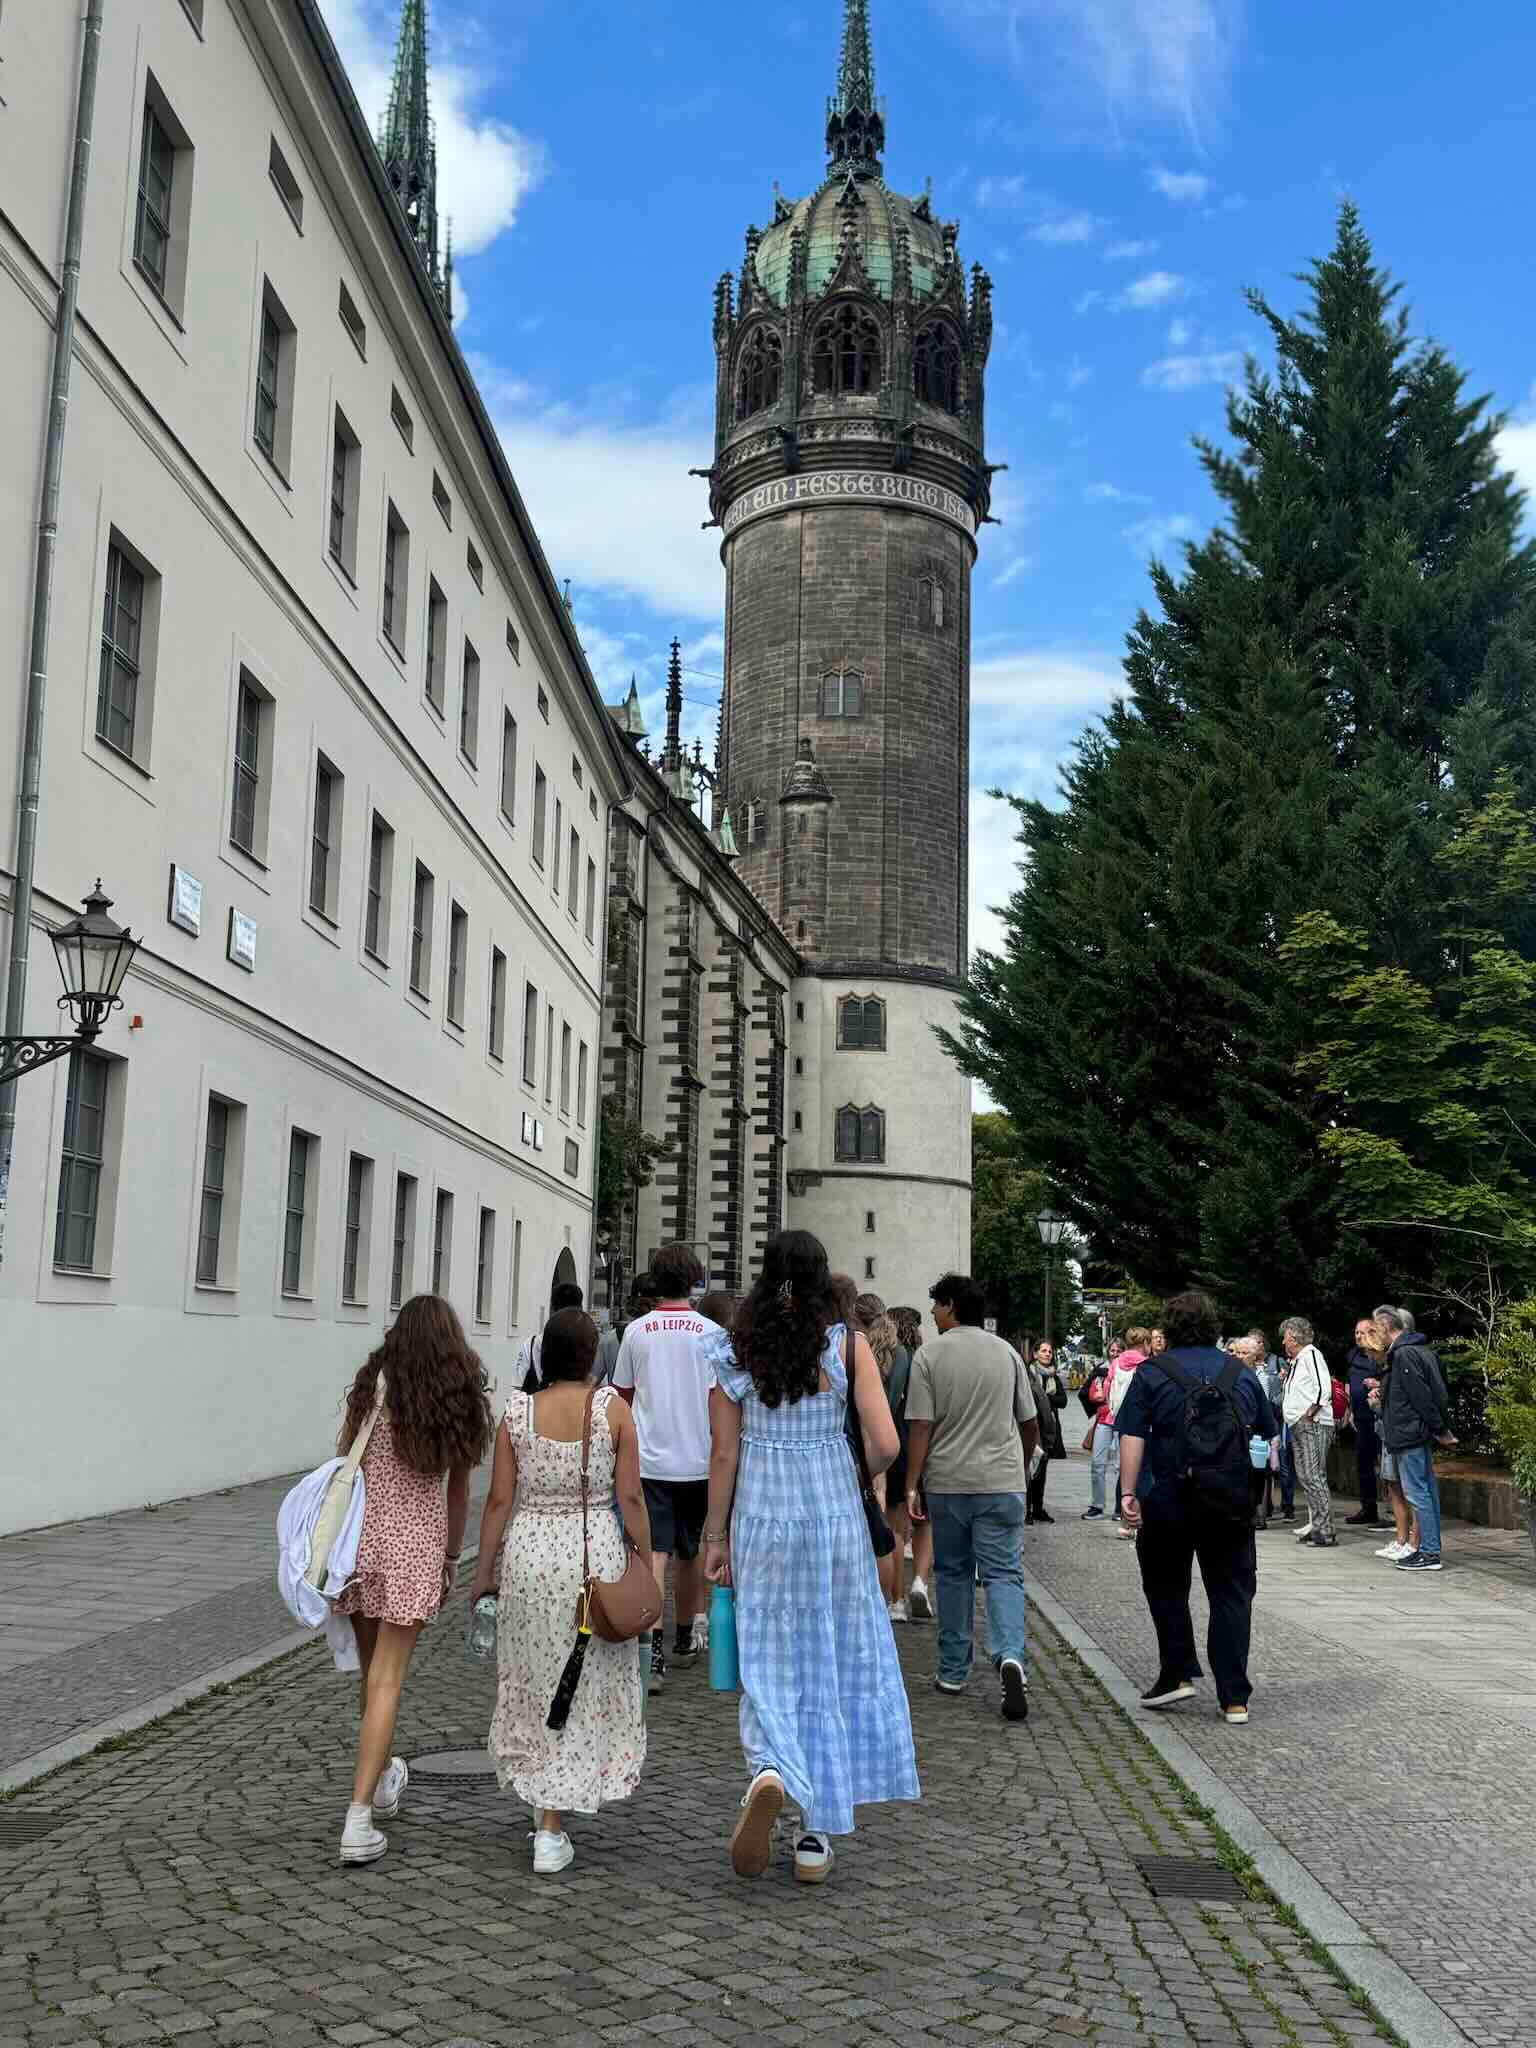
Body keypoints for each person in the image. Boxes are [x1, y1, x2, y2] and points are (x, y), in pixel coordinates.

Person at [702, 1230, 917, 1884]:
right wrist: (850, 1473)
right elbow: (886, 1443)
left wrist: (714, 1536)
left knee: (767, 1655)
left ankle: (769, 1767)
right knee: (827, 1656)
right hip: (832, 1519)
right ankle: (814, 1835)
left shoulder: (734, 1349)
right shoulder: (847, 1346)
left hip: (762, 1513)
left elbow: (723, 1455)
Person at [473, 1308, 650, 1874]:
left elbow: (498, 1501)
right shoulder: (612, 1410)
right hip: (591, 1556)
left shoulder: (516, 1413)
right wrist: (645, 1563)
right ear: (592, 1354)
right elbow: (631, 1498)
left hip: (529, 1556)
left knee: (534, 1679)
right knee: (583, 1680)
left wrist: (484, 1570)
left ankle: (542, 1804)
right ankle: (550, 1827)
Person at [332, 1296, 493, 1864]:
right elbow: (459, 1491)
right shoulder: (455, 1396)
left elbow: (344, 1456)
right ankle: (358, 1820)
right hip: (414, 1549)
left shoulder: (373, 1385)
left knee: (371, 1675)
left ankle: (380, 1782)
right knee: (387, 1680)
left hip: (360, 1545)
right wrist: (450, 1557)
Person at [1117, 1291, 1277, 1724]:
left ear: (1168, 1327)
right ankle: (1234, 1697)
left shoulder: (1152, 1372)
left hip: (1169, 1497)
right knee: (1232, 1594)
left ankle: (1177, 1672)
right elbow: (1266, 1428)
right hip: (1229, 1500)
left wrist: (1128, 1493)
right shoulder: (1240, 1373)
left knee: (1165, 1585)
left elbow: (1132, 1435)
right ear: (1213, 1325)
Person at [904, 1273, 1046, 1721]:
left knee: (953, 1574)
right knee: (1003, 1574)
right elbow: (1029, 1421)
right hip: (1001, 1480)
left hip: (948, 1482)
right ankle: (1010, 1655)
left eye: (936, 1304)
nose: (932, 1312)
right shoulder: (1006, 1353)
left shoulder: (929, 1355)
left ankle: (952, 1669)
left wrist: (912, 1482)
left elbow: (921, 1425)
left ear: (951, 1306)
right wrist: (1021, 1465)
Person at [613, 1244, 713, 1686]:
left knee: (654, 1553)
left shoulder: (637, 1332)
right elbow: (719, 1400)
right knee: (691, 1552)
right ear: (694, 1280)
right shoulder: (711, 1333)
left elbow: (622, 1396)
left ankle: (651, 1650)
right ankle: (685, 1635)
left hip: (650, 1461)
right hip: (699, 1460)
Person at [1374, 1304, 1455, 1572]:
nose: (1375, 1335)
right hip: (1415, 1432)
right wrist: (1439, 1427)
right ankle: (1429, 1549)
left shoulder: (1404, 1354)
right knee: (1425, 1492)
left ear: (1386, 1326)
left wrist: (1440, 1429)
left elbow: (1420, 1396)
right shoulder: (1420, 1351)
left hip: (1409, 1433)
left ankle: (1430, 1553)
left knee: (1418, 1493)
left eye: (1376, 1329)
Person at [852, 1292, 910, 1619]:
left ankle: (867, 1599)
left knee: (863, 1526)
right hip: (891, 1440)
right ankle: (891, 1601)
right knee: (889, 1529)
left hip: (860, 1441)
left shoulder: (854, 1349)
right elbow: (895, 1400)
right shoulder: (899, 1353)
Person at [890, 1306, 935, 1616]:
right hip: (922, 1443)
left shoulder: (890, 1357)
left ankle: (895, 1599)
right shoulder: (925, 1359)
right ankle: (919, 1581)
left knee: (894, 1522)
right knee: (924, 1520)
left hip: (896, 1440)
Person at [1280, 1317, 1336, 1548]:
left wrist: (1311, 1411)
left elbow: (1324, 1386)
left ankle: (1325, 1531)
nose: (1283, 1342)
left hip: (1312, 1423)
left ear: (1294, 1337)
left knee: (1313, 1476)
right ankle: (1317, 1526)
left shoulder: (1311, 1354)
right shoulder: (1299, 1360)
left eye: (1285, 1337)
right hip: (1299, 1424)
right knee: (1305, 1477)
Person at [1344, 1317, 1386, 1527]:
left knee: (1386, 1466)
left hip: (1379, 1418)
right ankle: (1368, 1509)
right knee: (1363, 1464)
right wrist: (1349, 1409)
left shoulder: (1380, 1356)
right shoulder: (1352, 1355)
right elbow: (1349, 1382)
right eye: (1356, 1333)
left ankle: (1394, 1513)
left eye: (1363, 1332)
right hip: (1360, 1418)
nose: (1359, 1336)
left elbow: (1390, 1381)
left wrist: (1377, 1383)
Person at [1107, 1332, 1148, 1537]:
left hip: (1118, 1418)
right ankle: (1134, 1520)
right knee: (1140, 1471)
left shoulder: (1116, 1363)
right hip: (1139, 1421)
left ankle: (1123, 1518)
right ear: (1145, 1343)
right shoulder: (1146, 1366)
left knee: (1124, 1470)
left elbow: (1108, 1387)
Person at [1025, 1340, 1068, 1525]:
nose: (1047, 1354)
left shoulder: (1053, 1376)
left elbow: (1063, 1401)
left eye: (1049, 1351)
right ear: (1035, 1354)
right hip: (1031, 1424)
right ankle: (1026, 1510)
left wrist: (1045, 1399)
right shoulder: (1028, 1374)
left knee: (1042, 1468)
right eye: (1043, 1351)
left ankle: (1038, 1508)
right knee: (1029, 1468)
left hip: (1048, 1428)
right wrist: (1045, 1400)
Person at [517, 1280, 585, 1392]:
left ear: (552, 1309)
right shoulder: (588, 1345)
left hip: (538, 1401)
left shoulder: (531, 1345)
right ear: (581, 1310)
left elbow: (518, 1386)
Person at [1080, 1347, 1117, 1518]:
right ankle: (1097, 1505)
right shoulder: (1100, 1370)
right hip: (1103, 1418)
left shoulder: (1131, 1369)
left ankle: (1120, 1508)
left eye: (1119, 1350)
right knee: (1097, 1463)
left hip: (1122, 1420)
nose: (1115, 1353)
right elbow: (1086, 1392)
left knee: (1121, 1466)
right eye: (1112, 1350)